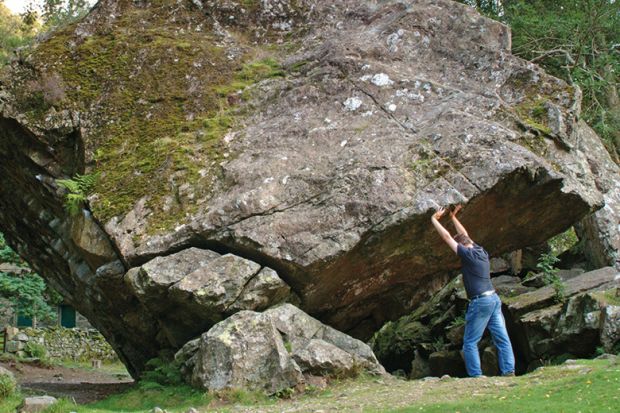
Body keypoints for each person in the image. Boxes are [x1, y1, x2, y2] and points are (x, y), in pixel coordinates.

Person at [431, 204, 515, 377]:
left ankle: (476, 376)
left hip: (481, 302)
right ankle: (509, 371)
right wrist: (453, 218)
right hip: (494, 299)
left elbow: (447, 238)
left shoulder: (467, 256)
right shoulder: (480, 251)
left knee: (470, 342)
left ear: (461, 246)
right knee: (502, 339)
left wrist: (434, 220)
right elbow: (465, 235)